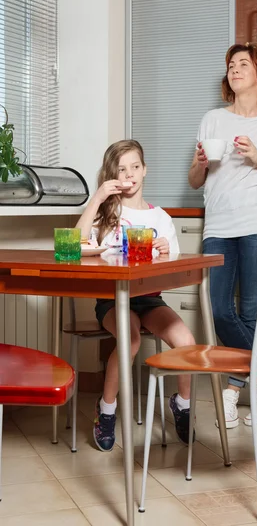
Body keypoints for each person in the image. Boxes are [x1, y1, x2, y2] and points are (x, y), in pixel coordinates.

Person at [188, 42, 257, 429]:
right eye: (231, 64)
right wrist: (199, 164)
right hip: (219, 226)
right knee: (218, 309)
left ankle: (232, 395)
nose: (234, 69)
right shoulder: (212, 120)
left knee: (252, 313)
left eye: (243, 64)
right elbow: (196, 179)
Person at [76, 139, 196, 450]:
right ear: (111, 175)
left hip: (150, 299)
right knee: (130, 340)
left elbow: (175, 268)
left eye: (135, 167)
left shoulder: (161, 219)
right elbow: (74, 244)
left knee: (187, 341)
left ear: (145, 171)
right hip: (114, 299)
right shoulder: (107, 215)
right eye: (121, 169)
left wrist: (166, 252)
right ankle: (106, 411)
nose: (129, 174)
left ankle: (182, 405)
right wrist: (98, 197)